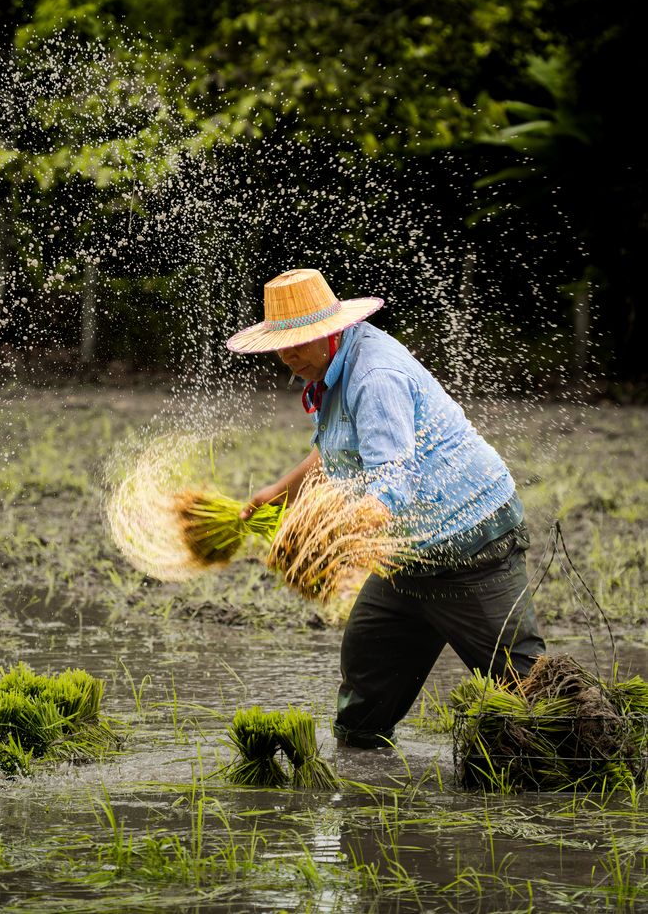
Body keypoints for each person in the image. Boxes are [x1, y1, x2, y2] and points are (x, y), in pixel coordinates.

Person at [226, 267, 545, 748]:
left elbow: (391, 483)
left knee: (528, 693)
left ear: (330, 331)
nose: (289, 358)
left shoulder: (375, 375)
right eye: (280, 347)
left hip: (472, 546)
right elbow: (338, 449)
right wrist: (279, 492)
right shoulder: (334, 368)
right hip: (406, 555)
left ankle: (579, 767)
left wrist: (326, 540)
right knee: (365, 683)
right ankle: (362, 779)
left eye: (298, 343)